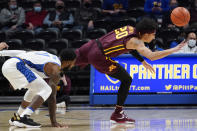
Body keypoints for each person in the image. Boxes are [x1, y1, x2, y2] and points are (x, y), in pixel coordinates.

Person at [59, 18, 187, 124]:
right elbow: (152, 56)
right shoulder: (136, 42)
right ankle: (117, 114)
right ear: (146, 34)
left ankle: (45, 68)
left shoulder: (130, 28)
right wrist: (173, 50)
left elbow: (128, 47)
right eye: (153, 34)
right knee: (127, 79)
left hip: (92, 45)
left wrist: (142, 62)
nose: (154, 37)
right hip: (99, 57)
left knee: (64, 62)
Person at [0, 48, 71, 128]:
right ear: (69, 62)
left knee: (34, 90)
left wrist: (1, 53)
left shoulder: (47, 55)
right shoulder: (56, 68)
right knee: (47, 89)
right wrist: (54, 122)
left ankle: (17, 117)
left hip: (8, 65)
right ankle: (24, 117)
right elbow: (52, 97)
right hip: (17, 66)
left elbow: (22, 52)